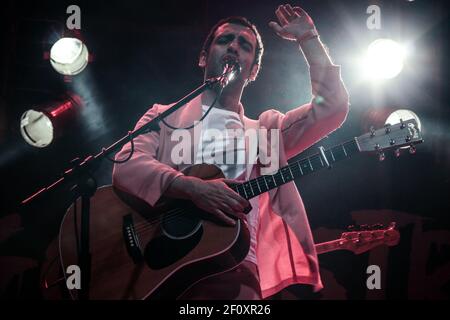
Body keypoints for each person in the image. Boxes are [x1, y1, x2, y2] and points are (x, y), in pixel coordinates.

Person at [113, 4, 349, 300]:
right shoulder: (164, 116)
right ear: (203, 57)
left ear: (253, 71)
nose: (234, 47)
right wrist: (189, 187)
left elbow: (332, 109)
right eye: (225, 40)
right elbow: (125, 164)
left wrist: (309, 39)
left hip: (234, 271)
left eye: (245, 45)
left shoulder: (266, 133)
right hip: (161, 265)